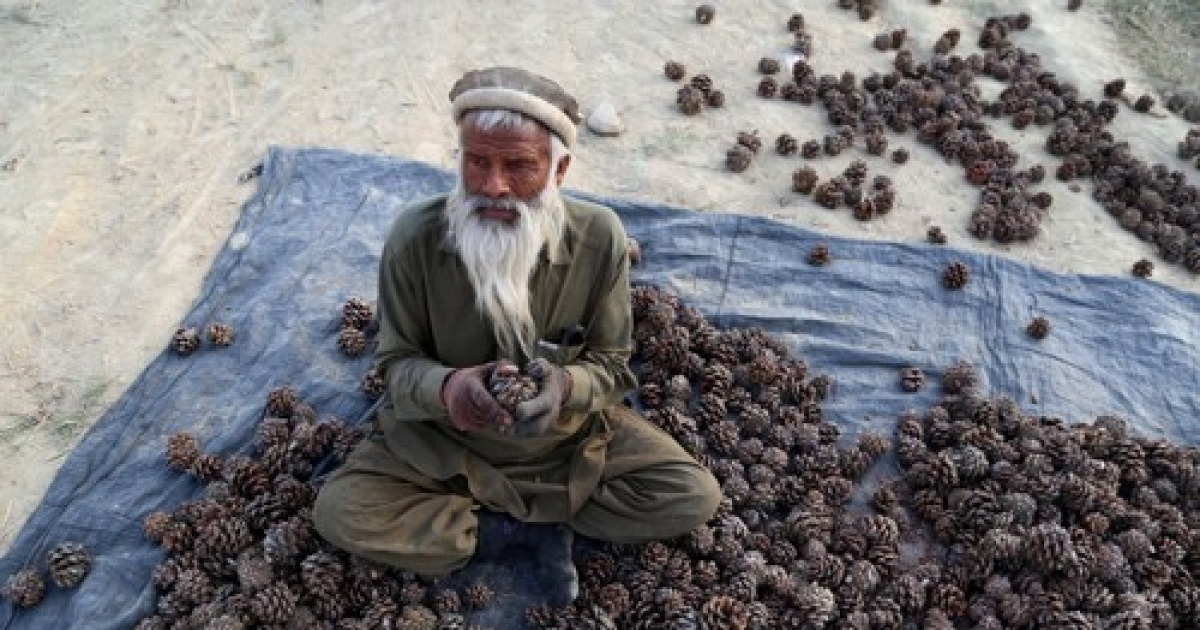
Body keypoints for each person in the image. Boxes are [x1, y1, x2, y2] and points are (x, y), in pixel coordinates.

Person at [313, 66, 721, 606]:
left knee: (692, 494)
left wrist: (567, 388)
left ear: (560, 169)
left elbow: (613, 363)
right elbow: (396, 363)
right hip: (443, 446)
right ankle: (520, 531)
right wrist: (449, 389)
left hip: (567, 444)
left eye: (519, 166)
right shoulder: (414, 238)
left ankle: (479, 524)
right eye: (476, 161)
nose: (492, 186)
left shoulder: (599, 238)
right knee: (340, 511)